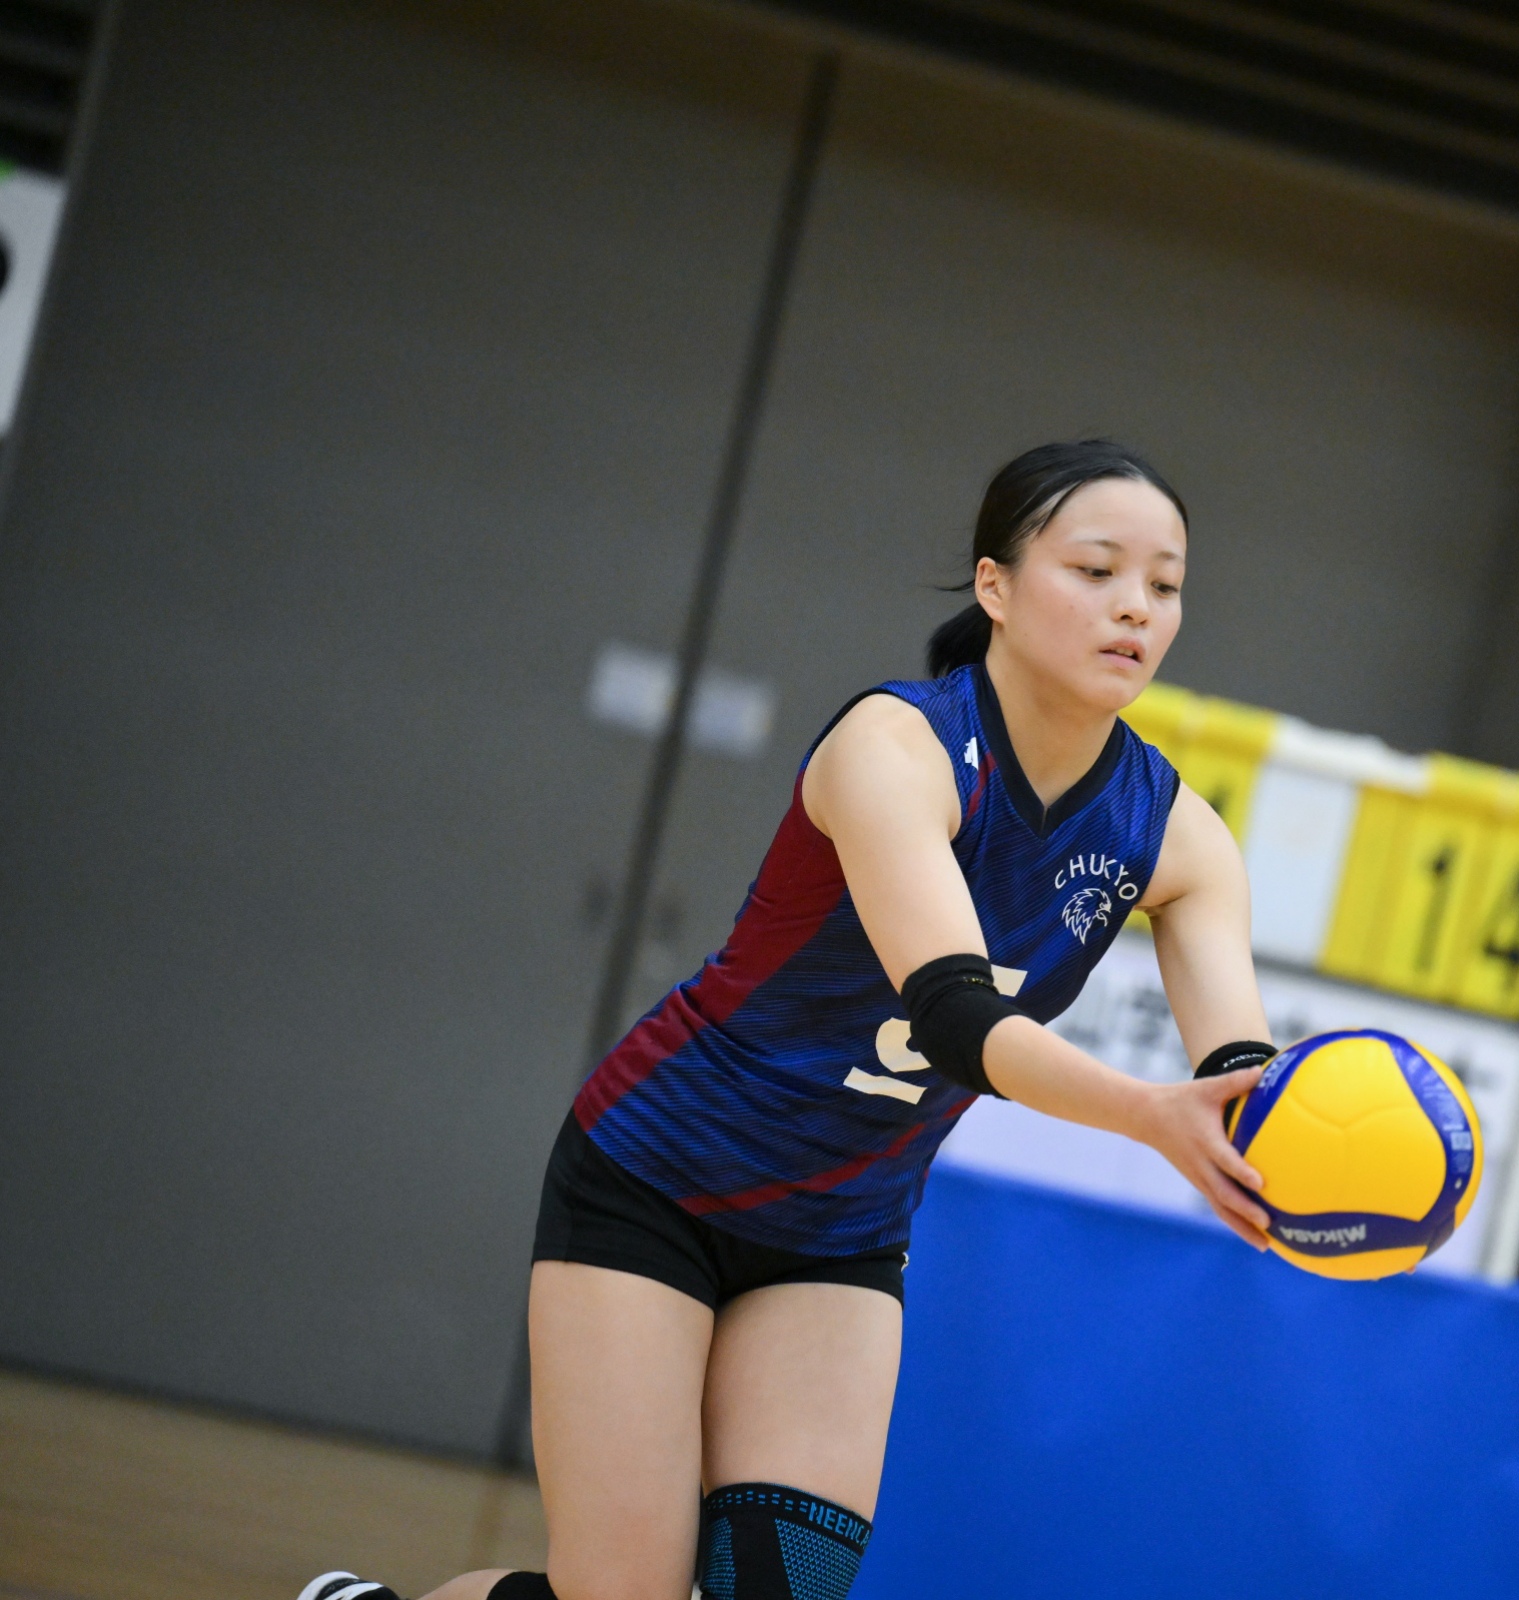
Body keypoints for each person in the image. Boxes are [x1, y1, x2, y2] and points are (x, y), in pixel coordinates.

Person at [302, 440, 1284, 1600]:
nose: (1135, 607)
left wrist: (1307, 1144)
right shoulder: (896, 746)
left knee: (779, 1589)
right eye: (1097, 569)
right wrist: (1148, 1114)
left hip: (841, 1232)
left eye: (1165, 584)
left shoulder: (1176, 835)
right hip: (657, 1178)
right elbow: (955, 1014)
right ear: (996, 585)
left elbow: (1245, 1077)